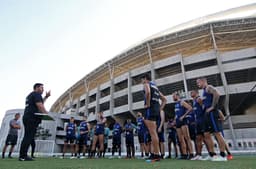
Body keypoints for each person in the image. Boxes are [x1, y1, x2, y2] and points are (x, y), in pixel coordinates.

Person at [197, 77, 227, 161]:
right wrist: (201, 103)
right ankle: (212, 154)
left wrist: (213, 107)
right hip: (206, 115)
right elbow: (205, 103)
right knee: (206, 134)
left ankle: (223, 155)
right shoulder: (204, 91)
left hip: (212, 114)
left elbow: (217, 94)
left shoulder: (208, 87)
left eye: (198, 83)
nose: (198, 84)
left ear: (203, 81)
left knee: (217, 133)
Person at [19, 83, 50, 161]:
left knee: (27, 136)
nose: (43, 90)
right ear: (37, 88)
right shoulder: (37, 94)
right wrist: (46, 113)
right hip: (32, 118)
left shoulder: (31, 95)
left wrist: (46, 97)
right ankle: (23, 156)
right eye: (41, 88)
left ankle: (22, 155)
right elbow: (40, 105)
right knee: (28, 137)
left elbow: (40, 102)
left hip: (27, 117)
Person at [141, 73, 166, 162]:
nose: (142, 82)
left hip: (150, 110)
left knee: (153, 133)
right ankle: (155, 154)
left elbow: (147, 92)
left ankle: (156, 155)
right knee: (153, 133)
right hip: (155, 110)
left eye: (142, 79)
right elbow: (164, 99)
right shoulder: (155, 87)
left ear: (145, 79)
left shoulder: (146, 84)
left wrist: (147, 104)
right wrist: (159, 109)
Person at [173, 92, 194, 159]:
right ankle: (184, 154)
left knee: (187, 138)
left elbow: (190, 108)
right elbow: (177, 113)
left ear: (177, 96)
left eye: (173, 96)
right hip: (178, 122)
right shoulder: (176, 104)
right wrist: (174, 120)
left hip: (183, 122)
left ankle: (191, 153)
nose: (173, 97)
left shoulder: (182, 102)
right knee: (181, 139)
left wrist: (183, 116)